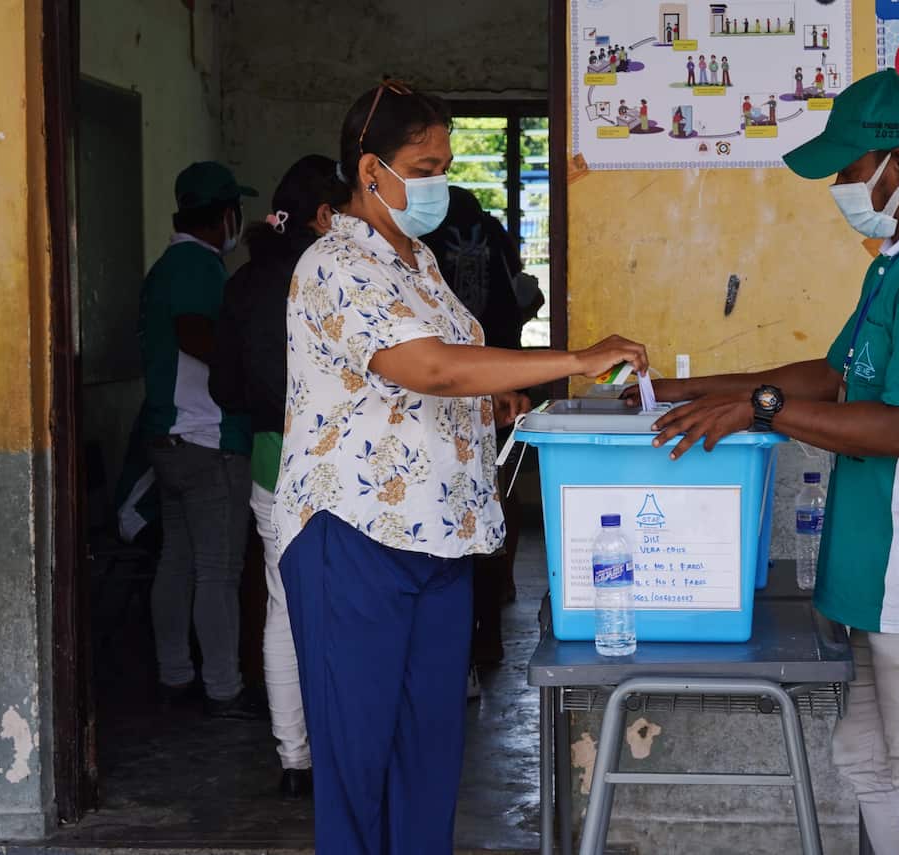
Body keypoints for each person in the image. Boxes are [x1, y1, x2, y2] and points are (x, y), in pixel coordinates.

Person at [274, 80, 648, 855]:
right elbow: (431, 367)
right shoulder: (335, 262)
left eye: (445, 160)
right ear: (370, 169)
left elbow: (447, 379)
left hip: (441, 542)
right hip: (355, 539)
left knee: (430, 759)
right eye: (425, 162)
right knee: (360, 762)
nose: (440, 178)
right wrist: (573, 359)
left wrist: (496, 401)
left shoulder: (420, 262)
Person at [630, 70, 899, 855]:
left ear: (897, 164)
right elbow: (833, 375)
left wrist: (758, 410)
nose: (840, 186)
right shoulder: (896, 259)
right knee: (862, 757)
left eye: (848, 169)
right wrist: (686, 386)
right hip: (867, 570)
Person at [208, 154, 341, 797]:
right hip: (343, 466)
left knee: (283, 612)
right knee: (351, 608)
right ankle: (349, 747)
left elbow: (224, 386)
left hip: (269, 460)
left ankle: (295, 760)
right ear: (324, 217)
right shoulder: (330, 276)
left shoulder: (242, 282)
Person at [138, 161, 263, 720]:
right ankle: (222, 688)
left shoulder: (165, 266)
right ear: (224, 216)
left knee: (177, 562)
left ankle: (174, 675)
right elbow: (196, 333)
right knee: (216, 571)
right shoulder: (197, 265)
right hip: (207, 439)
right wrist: (247, 369)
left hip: (169, 438)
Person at [419, 185, 533, 690]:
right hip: (499, 374)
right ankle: (490, 630)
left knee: (450, 518)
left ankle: (460, 652)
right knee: (493, 500)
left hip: (439, 388)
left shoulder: (420, 246)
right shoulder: (494, 233)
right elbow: (527, 294)